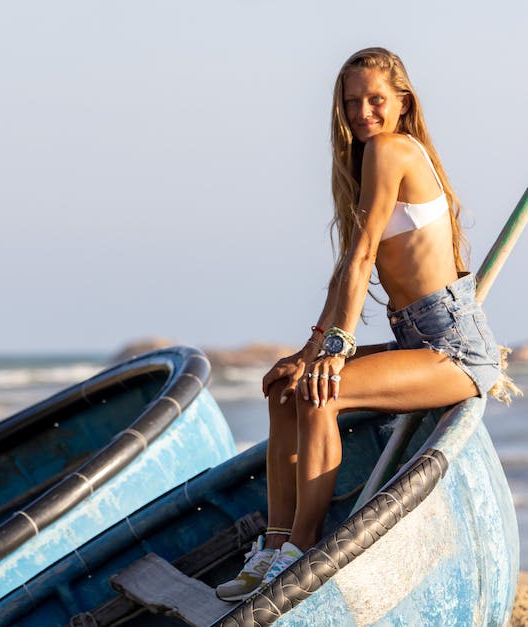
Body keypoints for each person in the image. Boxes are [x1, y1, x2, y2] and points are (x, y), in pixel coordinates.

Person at [216, 47, 517, 602]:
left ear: (402, 102)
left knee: (323, 394)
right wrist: (310, 349)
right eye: (352, 102)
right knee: (288, 388)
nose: (363, 112)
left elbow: (362, 258)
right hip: (416, 337)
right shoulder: (367, 160)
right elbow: (346, 271)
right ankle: (273, 545)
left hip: (455, 347)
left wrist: (337, 346)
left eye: (376, 99)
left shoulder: (391, 149)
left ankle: (299, 552)